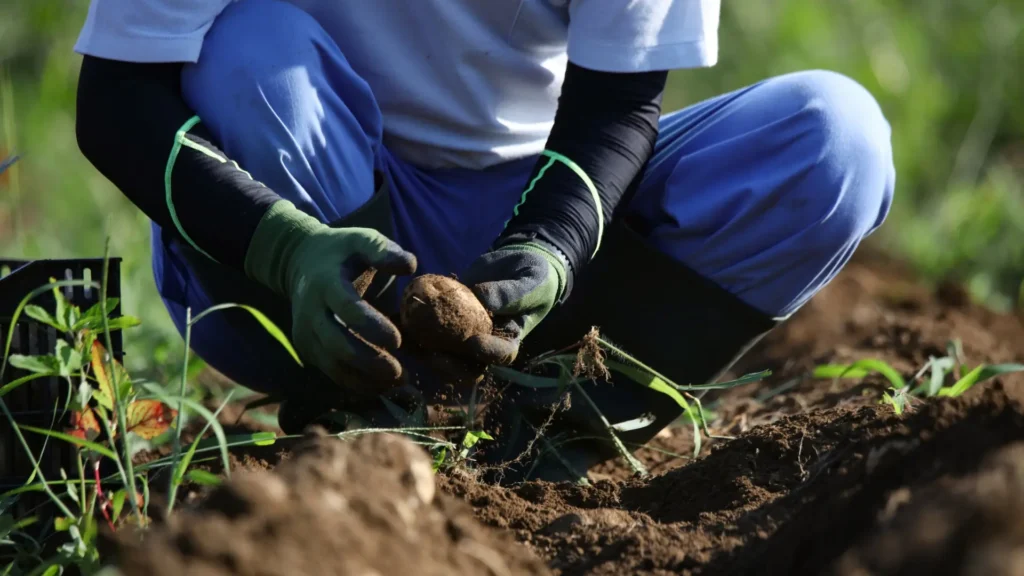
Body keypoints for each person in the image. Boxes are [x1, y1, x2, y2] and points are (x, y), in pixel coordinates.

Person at [73, 0, 894, 482]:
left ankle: (547, 437)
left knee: (834, 142)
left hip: (537, 190)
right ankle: (373, 389)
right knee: (244, 47)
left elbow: (618, 103)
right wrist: (284, 247)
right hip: (296, 224)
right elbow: (117, 96)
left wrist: (553, 244)